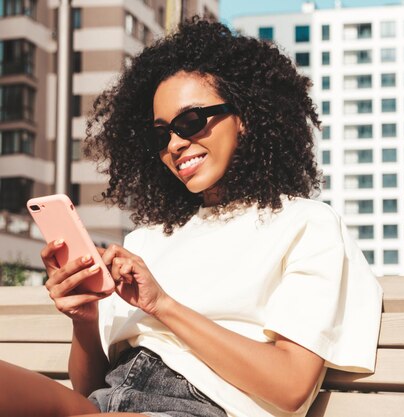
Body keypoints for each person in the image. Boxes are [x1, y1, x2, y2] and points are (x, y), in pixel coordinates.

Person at [0, 18, 382, 417]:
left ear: (245, 117)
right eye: (161, 133)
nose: (176, 143)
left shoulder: (306, 225)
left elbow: (291, 387)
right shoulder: (147, 241)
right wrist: (85, 318)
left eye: (191, 121)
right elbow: (91, 389)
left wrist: (162, 305)